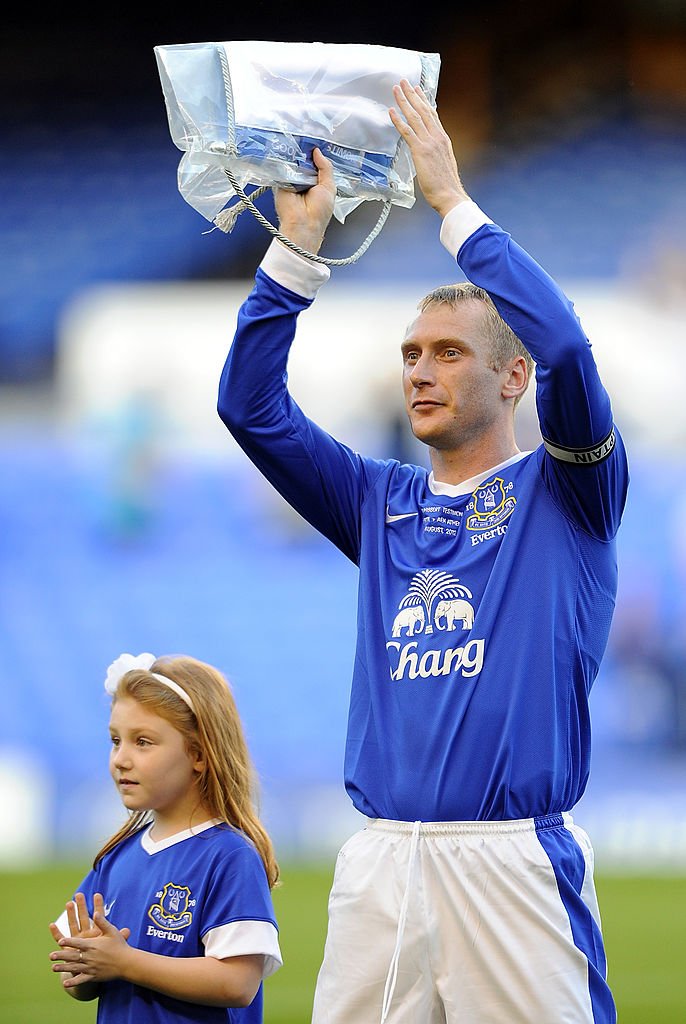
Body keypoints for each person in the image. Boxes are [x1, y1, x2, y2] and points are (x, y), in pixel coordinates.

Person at [217, 79, 628, 1024]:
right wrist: (298, 247)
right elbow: (249, 409)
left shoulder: (568, 491)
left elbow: (568, 343)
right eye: (410, 353)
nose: (419, 370)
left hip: (511, 865)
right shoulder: (379, 499)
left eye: (447, 351)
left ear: (510, 376)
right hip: (381, 864)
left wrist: (450, 202)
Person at [48, 651, 282, 1023]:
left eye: (142, 741)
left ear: (199, 754)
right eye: (115, 740)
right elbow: (81, 981)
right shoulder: (116, 857)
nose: (121, 758)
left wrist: (125, 962)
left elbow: (238, 983)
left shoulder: (228, 855)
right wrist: (86, 963)